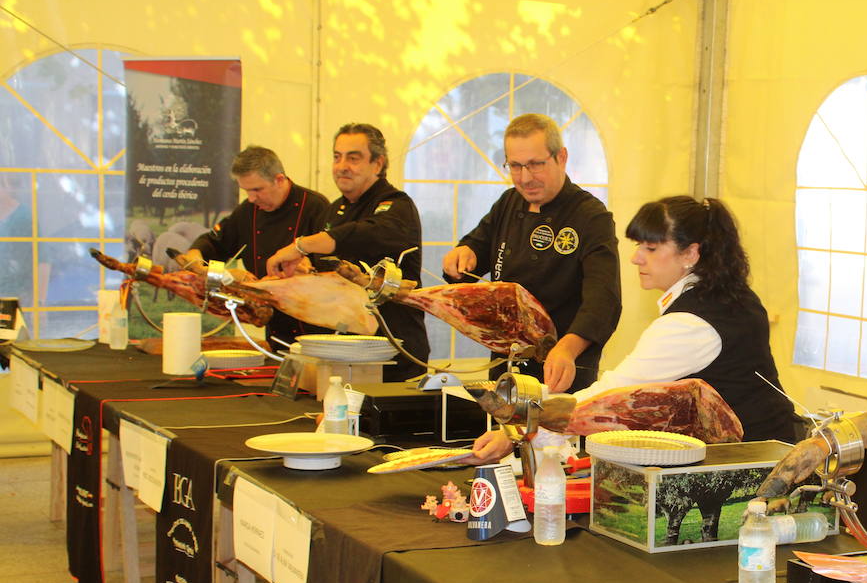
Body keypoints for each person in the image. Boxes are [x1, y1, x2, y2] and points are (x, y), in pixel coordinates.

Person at [470, 195, 795, 462]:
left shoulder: (689, 324)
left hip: (750, 458)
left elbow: (611, 395)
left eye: (651, 249)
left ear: (691, 253)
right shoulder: (729, 293)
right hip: (769, 445)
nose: (636, 258)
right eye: (638, 245)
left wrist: (519, 431)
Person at [441, 113, 620, 393]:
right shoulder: (509, 203)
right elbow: (477, 246)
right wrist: (463, 254)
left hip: (562, 370)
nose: (525, 178)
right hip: (505, 365)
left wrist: (566, 350)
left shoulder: (591, 216)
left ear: (561, 157)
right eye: (515, 166)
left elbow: (603, 301)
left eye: (536, 165)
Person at [266, 123, 429, 380]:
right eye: (337, 157)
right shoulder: (333, 211)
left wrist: (301, 245)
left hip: (392, 356)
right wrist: (304, 271)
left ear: (378, 164)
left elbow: (363, 234)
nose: (342, 166)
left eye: (353, 158)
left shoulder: (397, 206)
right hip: (341, 355)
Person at [182, 146, 331, 345]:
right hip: (274, 329)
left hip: (315, 330)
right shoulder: (248, 211)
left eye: (257, 190)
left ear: (279, 180)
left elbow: (330, 267)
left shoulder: (315, 207)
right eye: (246, 191)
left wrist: (306, 268)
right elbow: (214, 242)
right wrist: (195, 254)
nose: (252, 198)